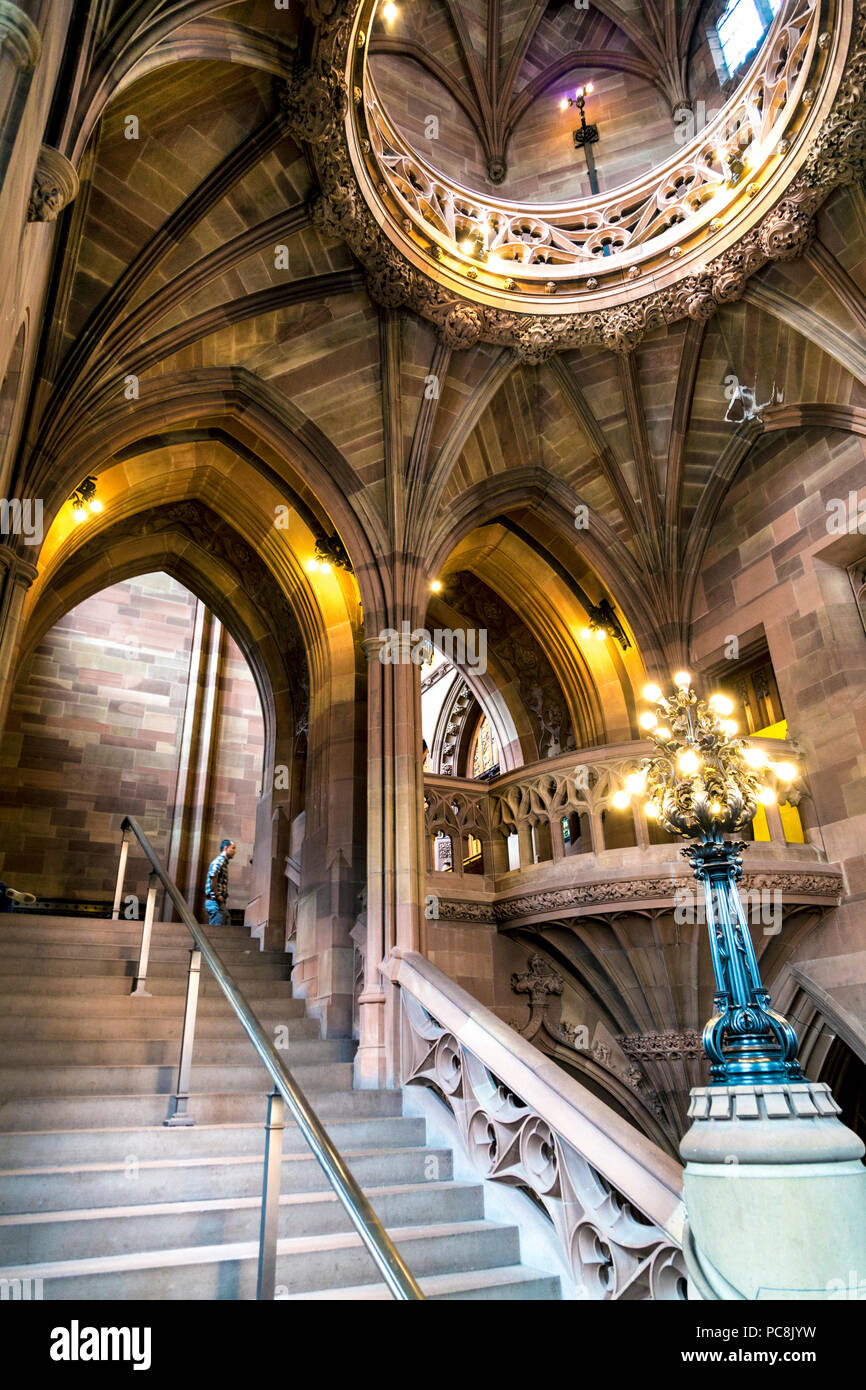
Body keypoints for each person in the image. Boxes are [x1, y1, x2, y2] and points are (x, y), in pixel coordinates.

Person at [204, 839, 236, 926]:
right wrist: (218, 895)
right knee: (216, 931)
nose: (235, 851)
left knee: (227, 921)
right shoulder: (219, 861)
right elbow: (213, 876)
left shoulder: (223, 863)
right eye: (233, 848)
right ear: (225, 848)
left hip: (219, 903)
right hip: (215, 902)